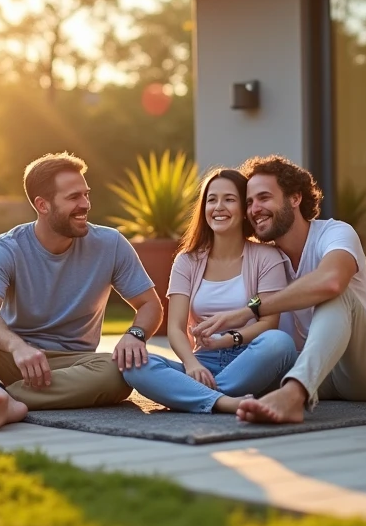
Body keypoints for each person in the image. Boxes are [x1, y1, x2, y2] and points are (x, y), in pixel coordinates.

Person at [0, 152, 162, 431]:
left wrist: (135, 334)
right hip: (8, 358)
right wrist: (17, 346)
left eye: (86, 194)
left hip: (69, 366)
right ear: (42, 205)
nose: (85, 204)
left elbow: (150, 304)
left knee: (119, 372)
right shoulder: (7, 247)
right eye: (74, 197)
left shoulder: (111, 244)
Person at [192, 156, 366, 425]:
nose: (254, 209)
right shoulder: (266, 259)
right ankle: (206, 393)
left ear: (295, 198)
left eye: (264, 197)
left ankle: (292, 396)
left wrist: (250, 309)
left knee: (337, 295)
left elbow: (331, 281)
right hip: (308, 368)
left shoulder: (334, 233)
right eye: (249, 202)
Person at [122, 169, 298, 413]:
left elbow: (269, 322)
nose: (218, 207)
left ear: (244, 209)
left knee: (280, 343)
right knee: (134, 365)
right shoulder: (186, 261)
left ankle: (200, 396)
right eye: (211, 199)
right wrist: (191, 364)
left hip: (250, 359)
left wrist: (228, 339)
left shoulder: (267, 257)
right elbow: (175, 328)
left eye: (229, 199)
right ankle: (226, 401)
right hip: (203, 361)